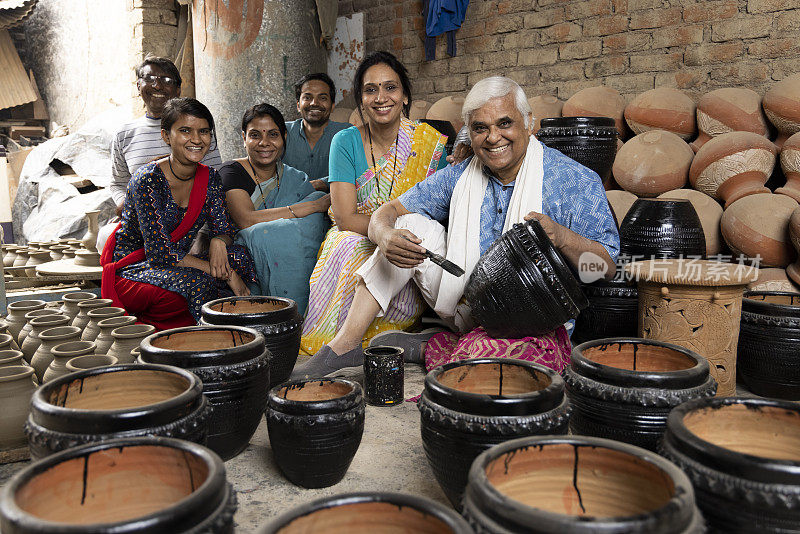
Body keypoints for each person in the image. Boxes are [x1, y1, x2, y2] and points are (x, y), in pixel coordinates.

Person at [292, 76, 619, 378]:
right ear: (469, 131)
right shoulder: (462, 173)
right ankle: (345, 344)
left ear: (529, 123)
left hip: (532, 319)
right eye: (480, 128)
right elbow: (388, 210)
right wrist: (384, 234)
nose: (493, 138)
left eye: (505, 123)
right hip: (464, 300)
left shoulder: (575, 181)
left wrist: (561, 237)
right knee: (409, 223)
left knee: (504, 369)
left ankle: (431, 345)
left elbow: (603, 269)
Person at [300, 51, 449, 356]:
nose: (381, 97)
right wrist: (383, 234)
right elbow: (344, 217)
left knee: (404, 249)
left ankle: (385, 332)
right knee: (350, 246)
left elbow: (442, 211)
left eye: (390, 88)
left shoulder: (429, 145)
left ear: (405, 96)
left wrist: (398, 237)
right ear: (361, 100)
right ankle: (342, 342)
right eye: (370, 90)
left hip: (409, 239)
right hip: (356, 233)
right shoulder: (346, 141)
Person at [101, 98, 257, 330]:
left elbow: (224, 228)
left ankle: (226, 320)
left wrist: (218, 241)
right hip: (136, 266)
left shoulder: (210, 178)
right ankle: (199, 335)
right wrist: (229, 275)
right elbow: (160, 254)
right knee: (200, 282)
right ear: (166, 136)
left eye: (203, 131)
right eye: (185, 131)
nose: (196, 139)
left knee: (240, 256)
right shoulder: (148, 180)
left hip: (176, 260)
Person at [98, 56, 222, 251]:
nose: (157, 86)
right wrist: (129, 203)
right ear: (138, 85)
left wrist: (207, 232)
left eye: (166, 81)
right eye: (149, 78)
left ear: (178, 89)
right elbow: (118, 182)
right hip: (141, 219)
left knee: (201, 250)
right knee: (106, 239)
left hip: (191, 222)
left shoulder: (198, 130)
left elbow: (214, 180)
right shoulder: (124, 134)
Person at [220, 104, 331, 315]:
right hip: (244, 250)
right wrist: (312, 206)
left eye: (273, 134)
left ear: (284, 138)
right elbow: (246, 220)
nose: (264, 143)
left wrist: (317, 198)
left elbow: (314, 205)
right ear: (243, 138)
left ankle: (313, 317)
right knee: (268, 232)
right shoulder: (231, 171)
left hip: (288, 244)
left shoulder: (293, 177)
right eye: (255, 135)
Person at [283, 73, 350, 191]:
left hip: (332, 206)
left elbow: (357, 173)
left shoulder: (346, 134)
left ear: (333, 105)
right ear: (298, 105)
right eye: (307, 97)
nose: (314, 103)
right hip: (287, 204)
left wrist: (322, 183)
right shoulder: (281, 133)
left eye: (322, 98)